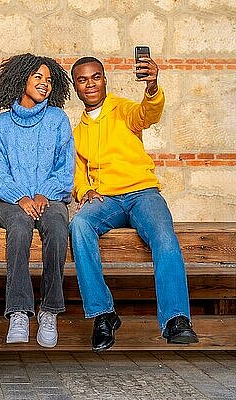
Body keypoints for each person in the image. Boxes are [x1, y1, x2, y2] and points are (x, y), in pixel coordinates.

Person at [69, 56, 198, 352]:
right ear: (76, 86)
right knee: (79, 224)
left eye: (96, 77)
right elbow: (76, 173)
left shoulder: (122, 109)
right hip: (108, 200)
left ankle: (176, 319)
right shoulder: (77, 132)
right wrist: (84, 190)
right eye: (83, 79)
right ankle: (103, 314)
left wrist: (152, 86)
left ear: (105, 79)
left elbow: (147, 113)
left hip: (143, 193)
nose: (90, 84)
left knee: (164, 236)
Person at [0, 54, 74, 348]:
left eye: (49, 80)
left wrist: (43, 194)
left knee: (58, 227)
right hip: (10, 203)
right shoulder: (0, 124)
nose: (45, 84)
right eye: (38, 77)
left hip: (49, 199)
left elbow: (65, 167)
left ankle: (49, 310)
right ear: (21, 78)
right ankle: (20, 312)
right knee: (21, 227)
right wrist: (19, 197)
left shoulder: (58, 120)